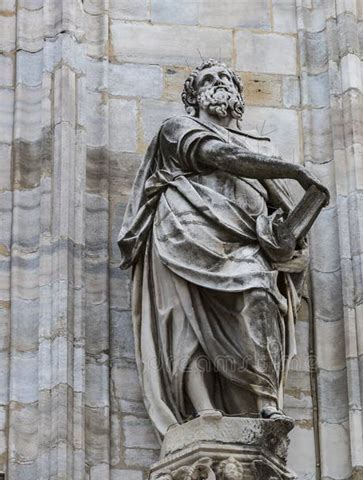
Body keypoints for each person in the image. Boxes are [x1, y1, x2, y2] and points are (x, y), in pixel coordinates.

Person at [118, 59, 329, 439]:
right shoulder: (178, 128)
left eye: (225, 79)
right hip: (185, 232)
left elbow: (281, 207)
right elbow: (221, 155)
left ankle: (266, 402)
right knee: (186, 320)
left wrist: (292, 233)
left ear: (237, 96)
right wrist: (293, 170)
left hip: (245, 241)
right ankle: (203, 410)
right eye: (208, 80)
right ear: (193, 97)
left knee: (259, 294)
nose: (218, 84)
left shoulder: (258, 147)